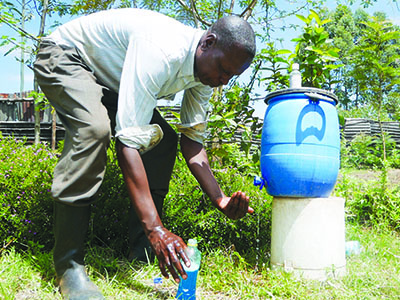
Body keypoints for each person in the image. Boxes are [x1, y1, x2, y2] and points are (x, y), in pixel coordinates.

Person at [33, 7, 256, 300]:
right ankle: (69, 264)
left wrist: (220, 198)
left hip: (108, 79)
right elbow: (127, 143)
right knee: (93, 129)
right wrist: (157, 228)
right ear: (208, 42)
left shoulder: (204, 72)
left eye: (231, 75)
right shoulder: (162, 50)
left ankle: (143, 252)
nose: (224, 80)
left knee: (164, 142)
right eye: (224, 70)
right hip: (65, 56)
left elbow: (192, 143)